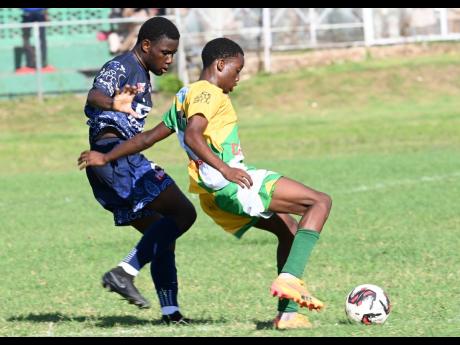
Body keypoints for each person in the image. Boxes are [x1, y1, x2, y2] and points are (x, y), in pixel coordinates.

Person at [78, 37, 332, 330]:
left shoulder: (186, 94)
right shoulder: (207, 93)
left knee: (287, 229)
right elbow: (193, 135)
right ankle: (290, 280)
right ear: (220, 64)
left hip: (214, 196)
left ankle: (287, 315)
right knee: (320, 202)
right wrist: (226, 169)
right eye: (236, 71)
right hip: (232, 183)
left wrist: (106, 156)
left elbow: (146, 138)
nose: (237, 80)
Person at [78, 16, 197, 325]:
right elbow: (94, 95)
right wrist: (114, 103)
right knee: (184, 214)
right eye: (165, 52)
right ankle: (124, 272)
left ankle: (171, 313)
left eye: (173, 53)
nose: (169, 59)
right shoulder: (121, 67)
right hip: (114, 157)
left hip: (108, 163)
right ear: (146, 45)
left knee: (161, 235)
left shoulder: (143, 73)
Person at [16, 8, 55, 73]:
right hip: (31, 13)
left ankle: (41, 64)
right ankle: (34, 64)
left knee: (31, 38)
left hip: (35, 13)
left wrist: (46, 14)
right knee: (28, 38)